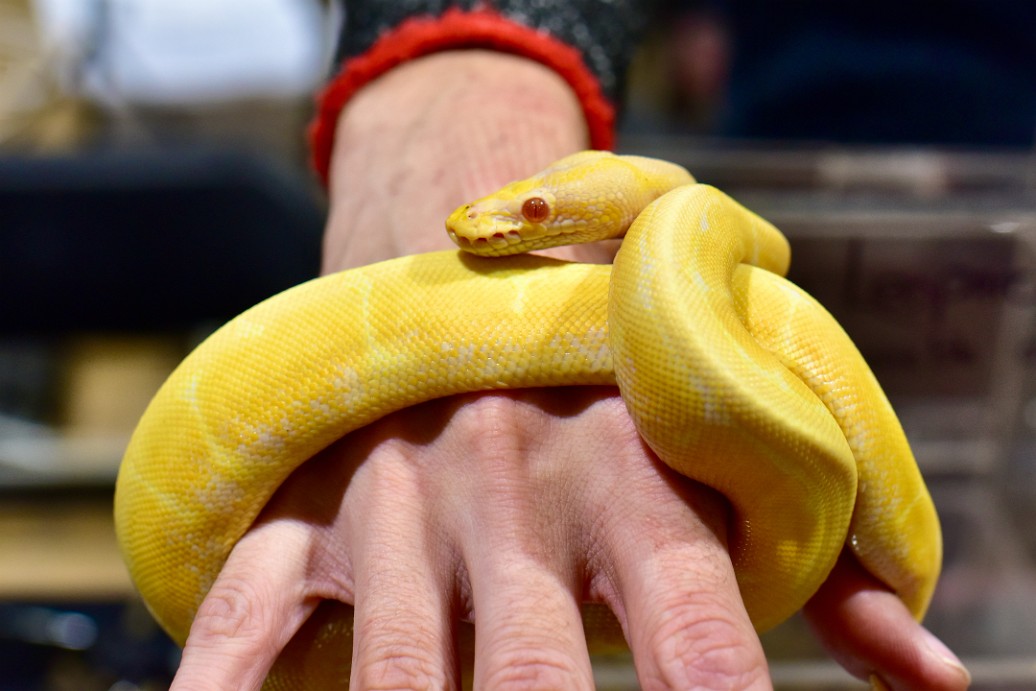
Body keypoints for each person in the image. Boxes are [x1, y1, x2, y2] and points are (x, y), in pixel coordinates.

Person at [169, 4, 978, 689]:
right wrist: (459, 102)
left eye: (533, 218)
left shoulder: (687, 231)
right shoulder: (683, 228)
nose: (484, 228)